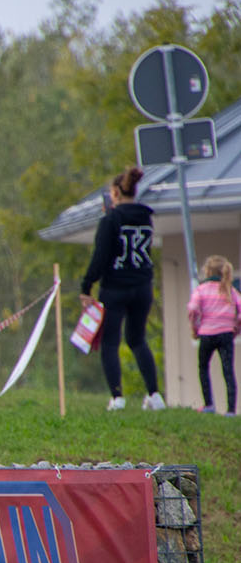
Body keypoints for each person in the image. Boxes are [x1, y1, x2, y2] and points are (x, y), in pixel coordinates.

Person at [79, 166, 165, 412]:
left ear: (115, 193)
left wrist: (86, 286)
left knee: (110, 342)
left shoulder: (110, 220)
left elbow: (100, 256)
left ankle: (117, 397)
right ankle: (154, 394)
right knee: (137, 339)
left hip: (115, 287)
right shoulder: (146, 218)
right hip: (142, 286)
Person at [188, 254, 240, 415]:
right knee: (228, 370)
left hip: (207, 333)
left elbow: (193, 309)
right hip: (226, 334)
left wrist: (195, 328)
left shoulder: (201, 289)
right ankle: (231, 410)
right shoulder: (231, 291)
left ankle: (209, 404)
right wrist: (236, 329)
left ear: (207, 271)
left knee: (203, 367)